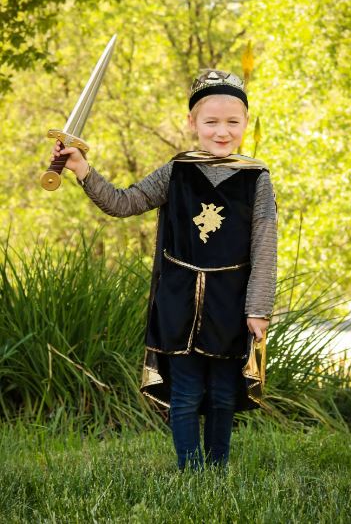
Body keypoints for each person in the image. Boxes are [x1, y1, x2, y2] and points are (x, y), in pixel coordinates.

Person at [52, 69, 277, 471]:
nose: (222, 132)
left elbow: (264, 243)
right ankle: (191, 472)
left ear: (246, 122)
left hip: (229, 304)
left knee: (224, 393)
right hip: (178, 302)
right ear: (192, 123)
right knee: (187, 392)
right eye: (211, 122)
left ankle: (218, 469)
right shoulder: (177, 171)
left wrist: (258, 307)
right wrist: (82, 170)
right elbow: (124, 203)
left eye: (232, 122)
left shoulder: (256, 177)